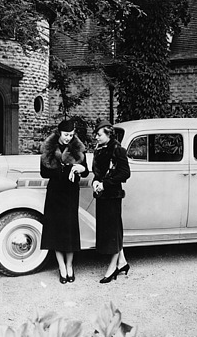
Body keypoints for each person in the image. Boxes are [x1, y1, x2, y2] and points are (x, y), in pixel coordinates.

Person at [40, 119, 88, 284]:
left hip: (70, 193)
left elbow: (86, 171)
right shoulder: (49, 148)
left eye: (71, 135)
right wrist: (62, 169)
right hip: (55, 194)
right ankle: (61, 267)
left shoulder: (77, 149)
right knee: (56, 230)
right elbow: (44, 173)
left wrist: (81, 168)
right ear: (59, 133)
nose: (69, 138)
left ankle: (70, 266)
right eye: (66, 135)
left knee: (69, 230)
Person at [92, 120, 131, 283]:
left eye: (99, 135)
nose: (96, 137)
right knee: (108, 231)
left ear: (108, 134)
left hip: (113, 196)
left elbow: (125, 174)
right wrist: (95, 181)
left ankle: (112, 268)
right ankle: (122, 263)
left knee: (113, 232)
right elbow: (98, 173)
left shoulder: (118, 150)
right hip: (102, 196)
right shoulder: (99, 150)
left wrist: (104, 184)